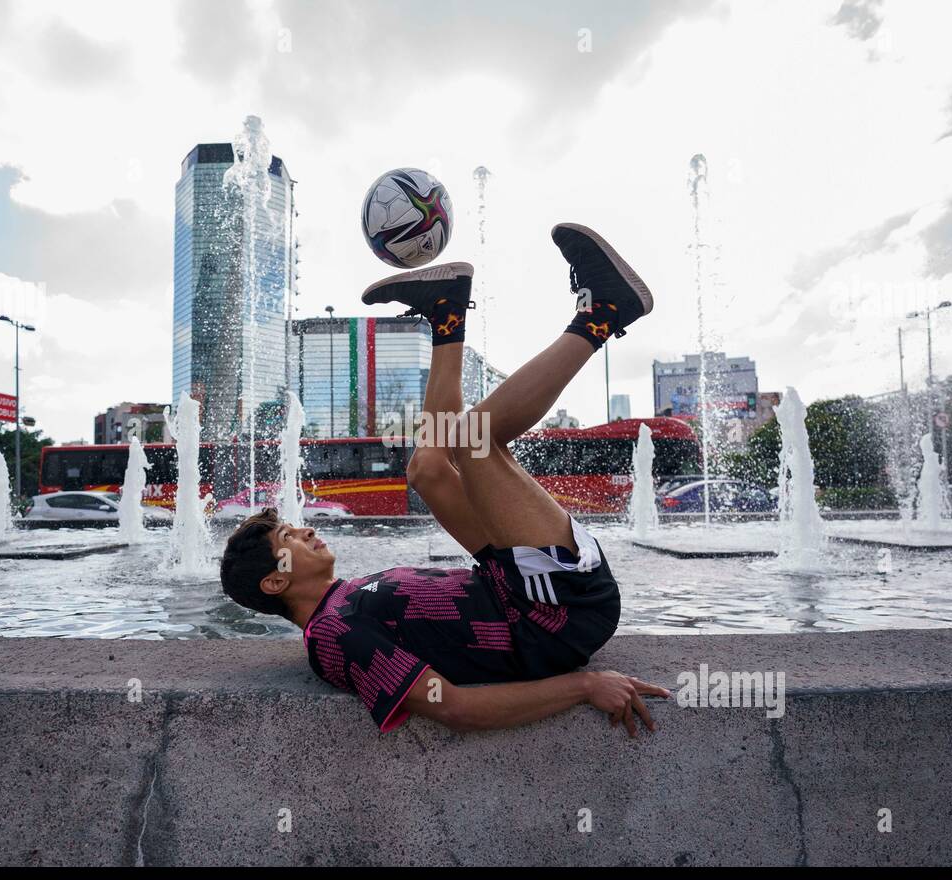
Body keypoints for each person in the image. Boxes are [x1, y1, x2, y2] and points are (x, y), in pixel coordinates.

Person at [221, 223, 670, 735]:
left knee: (428, 469)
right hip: (554, 614)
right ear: (275, 581)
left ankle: (447, 314)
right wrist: (584, 686)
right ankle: (604, 313)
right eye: (287, 538)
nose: (302, 529)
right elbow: (453, 706)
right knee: (474, 437)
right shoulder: (332, 637)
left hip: (512, 584)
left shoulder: (342, 598)